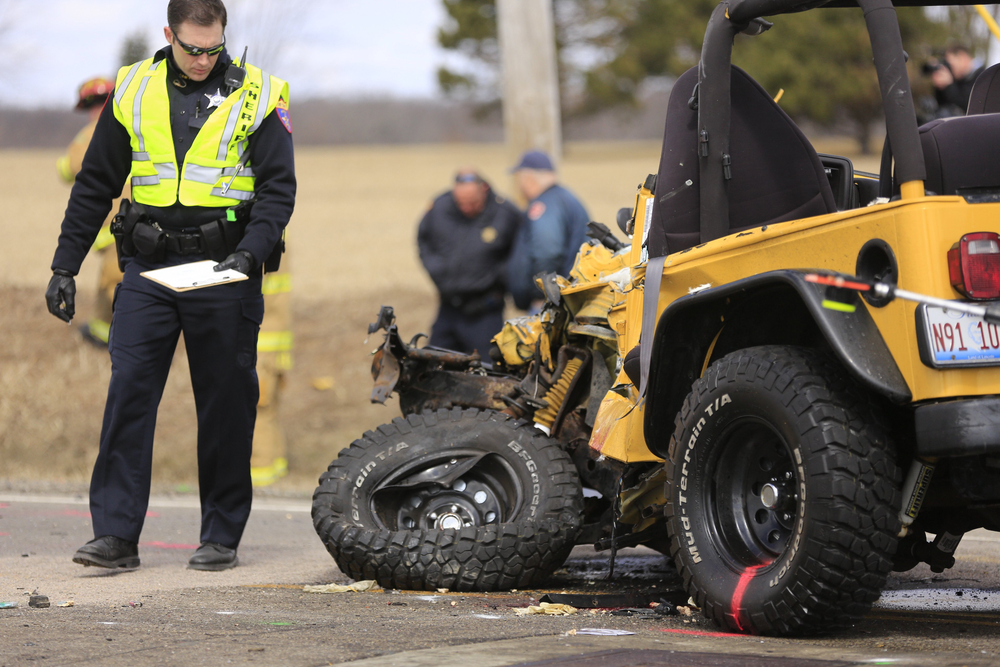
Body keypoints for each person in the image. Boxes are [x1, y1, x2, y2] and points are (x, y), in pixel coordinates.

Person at [45, 0, 296, 571]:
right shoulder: (132, 87)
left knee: (226, 405)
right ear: (169, 35)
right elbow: (94, 184)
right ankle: (114, 536)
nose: (204, 59)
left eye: (214, 47)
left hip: (223, 271)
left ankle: (220, 536)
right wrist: (66, 265)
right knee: (128, 394)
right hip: (148, 271)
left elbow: (278, 191)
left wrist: (249, 257)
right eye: (192, 48)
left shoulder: (261, 93)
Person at [417, 168, 522, 356]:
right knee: (434, 366)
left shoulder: (505, 213)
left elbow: (521, 251)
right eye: (461, 203)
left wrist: (498, 277)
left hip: (485, 311)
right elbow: (424, 241)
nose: (466, 208)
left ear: (484, 190)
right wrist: (437, 271)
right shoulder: (439, 208)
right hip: (448, 308)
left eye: (472, 203)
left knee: (486, 371)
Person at [57, 77, 127, 347]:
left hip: (117, 224)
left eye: (94, 104)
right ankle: (101, 332)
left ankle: (121, 339)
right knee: (112, 280)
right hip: (135, 223)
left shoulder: (92, 132)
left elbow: (68, 168)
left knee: (115, 284)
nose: (94, 110)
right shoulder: (134, 126)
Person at [507, 150, 590, 311]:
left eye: (519, 179)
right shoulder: (563, 198)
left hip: (550, 303)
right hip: (566, 298)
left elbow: (548, 252)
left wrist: (543, 294)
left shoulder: (545, 205)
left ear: (529, 179)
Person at [930, 45, 985, 116]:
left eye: (951, 64)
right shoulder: (961, 78)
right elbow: (942, 106)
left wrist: (949, 85)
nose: (950, 68)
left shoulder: (983, 77)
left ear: (962, 57)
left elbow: (969, 106)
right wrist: (941, 87)